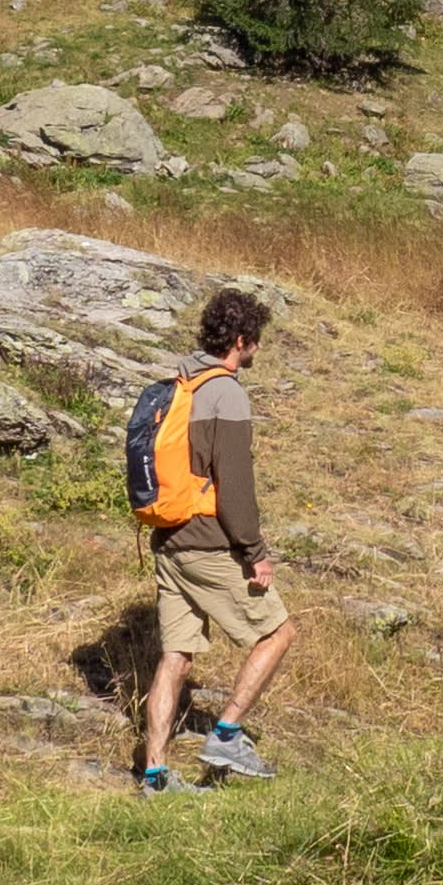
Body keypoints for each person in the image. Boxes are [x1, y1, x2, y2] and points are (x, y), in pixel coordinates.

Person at [137, 285, 291, 789]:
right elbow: (235, 487)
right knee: (277, 633)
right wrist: (254, 552)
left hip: (168, 542)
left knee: (175, 658)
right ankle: (226, 734)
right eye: (256, 342)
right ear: (241, 340)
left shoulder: (181, 380)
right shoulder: (225, 392)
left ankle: (155, 776)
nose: (258, 351)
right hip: (208, 543)